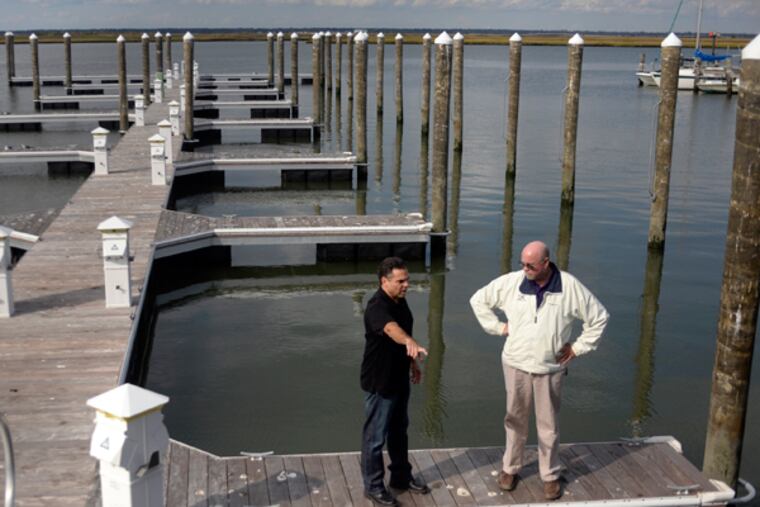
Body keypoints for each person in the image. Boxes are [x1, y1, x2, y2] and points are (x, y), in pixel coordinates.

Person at [470, 241, 609, 501]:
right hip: (515, 363)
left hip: (550, 367)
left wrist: (578, 348)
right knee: (514, 419)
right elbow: (478, 300)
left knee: (548, 425)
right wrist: (499, 327)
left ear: (546, 263)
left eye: (531, 265)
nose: (525, 269)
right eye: (522, 264)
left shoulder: (568, 286)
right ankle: (510, 468)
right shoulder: (512, 282)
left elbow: (599, 317)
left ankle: (550, 475)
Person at [360, 256, 431, 506]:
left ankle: (401, 477)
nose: (406, 285)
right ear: (384, 281)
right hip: (380, 383)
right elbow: (391, 329)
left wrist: (413, 362)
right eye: (400, 281)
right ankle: (373, 486)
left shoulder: (400, 301)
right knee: (375, 438)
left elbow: (404, 329)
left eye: (407, 280)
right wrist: (410, 342)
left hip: (399, 378)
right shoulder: (376, 306)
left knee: (399, 432)